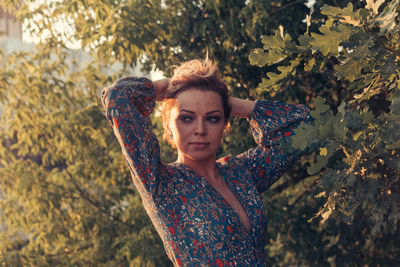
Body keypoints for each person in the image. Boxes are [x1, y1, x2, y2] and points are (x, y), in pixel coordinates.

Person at [101, 59, 312, 266]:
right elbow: (117, 97)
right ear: (168, 127)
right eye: (186, 118)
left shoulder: (240, 173)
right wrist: (163, 87)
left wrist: (226, 102)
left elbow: (306, 127)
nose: (200, 130)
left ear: (224, 124)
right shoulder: (160, 183)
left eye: (212, 118)